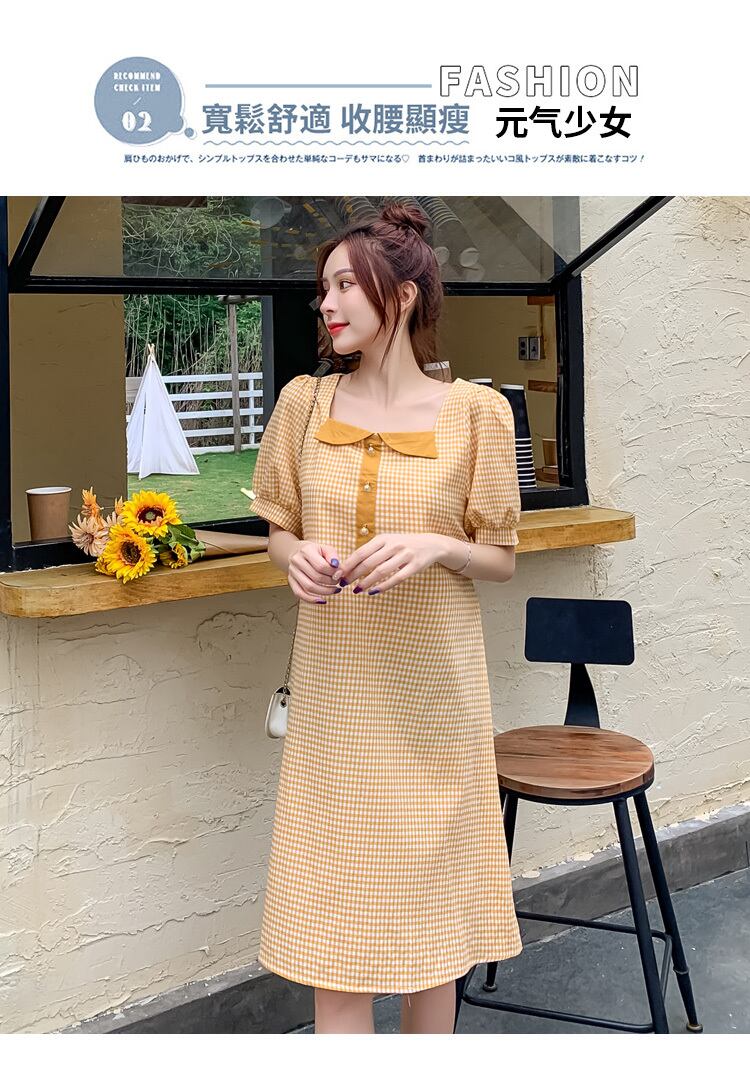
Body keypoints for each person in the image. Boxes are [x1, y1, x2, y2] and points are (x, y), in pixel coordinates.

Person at [251, 200, 524, 1033]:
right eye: (324, 288)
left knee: (431, 943)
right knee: (335, 939)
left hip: (434, 702)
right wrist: (292, 554)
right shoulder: (304, 404)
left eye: (344, 286)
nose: (326, 303)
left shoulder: (477, 414)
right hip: (336, 703)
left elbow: (500, 558)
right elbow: (279, 529)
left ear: (401, 296)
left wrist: (436, 545)